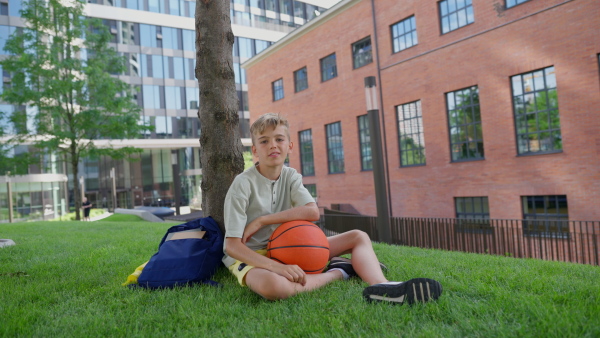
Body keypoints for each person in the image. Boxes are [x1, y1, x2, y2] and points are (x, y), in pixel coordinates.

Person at [223, 113, 442, 304]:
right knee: (274, 287)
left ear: (289, 146)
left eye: (279, 139)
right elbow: (232, 246)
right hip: (252, 255)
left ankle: (383, 286)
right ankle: (340, 272)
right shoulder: (242, 184)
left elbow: (312, 211)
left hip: (288, 247)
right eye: (264, 141)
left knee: (358, 236)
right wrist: (276, 268)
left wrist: (262, 220)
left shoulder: (290, 176)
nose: (273, 145)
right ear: (254, 150)